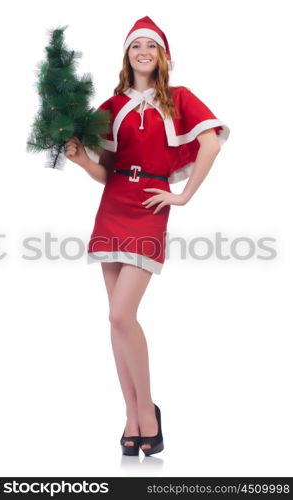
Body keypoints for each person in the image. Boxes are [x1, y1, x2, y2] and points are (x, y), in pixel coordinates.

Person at [65, 16, 230, 456]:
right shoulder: (111, 105)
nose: (143, 51)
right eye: (135, 45)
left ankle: (148, 413)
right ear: (127, 54)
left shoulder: (179, 98)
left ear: (161, 56)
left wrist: (183, 196)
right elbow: (107, 172)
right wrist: (82, 161)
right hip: (112, 207)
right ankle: (132, 415)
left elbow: (211, 143)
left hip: (148, 209)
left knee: (122, 315)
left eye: (150, 46)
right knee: (115, 322)